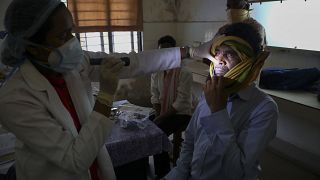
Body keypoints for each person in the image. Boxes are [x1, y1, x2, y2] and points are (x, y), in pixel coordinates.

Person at [0, 0, 210, 180]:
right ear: (33, 46)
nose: (73, 42)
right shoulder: (15, 98)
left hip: (96, 166)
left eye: (72, 31)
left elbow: (133, 61)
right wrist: (106, 94)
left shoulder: (72, 64)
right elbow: (75, 159)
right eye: (64, 36)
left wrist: (189, 51)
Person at [165, 22, 278, 180]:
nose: (219, 60)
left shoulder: (264, 109)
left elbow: (236, 172)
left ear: (248, 62)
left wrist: (218, 111)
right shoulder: (210, 92)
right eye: (217, 52)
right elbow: (190, 141)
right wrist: (178, 174)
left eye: (230, 53)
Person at [151, 35, 193, 178]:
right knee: (141, 126)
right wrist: (158, 116)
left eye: (167, 53)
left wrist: (160, 118)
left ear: (174, 53)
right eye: (160, 53)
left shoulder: (184, 72)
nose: (163, 56)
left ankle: (163, 173)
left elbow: (181, 102)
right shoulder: (156, 71)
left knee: (158, 132)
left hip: (181, 114)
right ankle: (142, 165)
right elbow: (155, 95)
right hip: (163, 111)